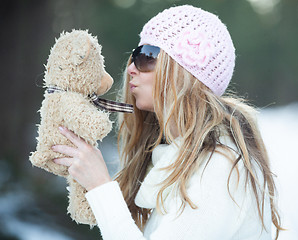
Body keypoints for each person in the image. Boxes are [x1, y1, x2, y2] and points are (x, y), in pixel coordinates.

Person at [52, 5, 283, 240]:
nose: (131, 68)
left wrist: (100, 186)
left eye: (147, 55)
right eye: (135, 55)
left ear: (183, 72)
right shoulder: (180, 157)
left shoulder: (219, 169)